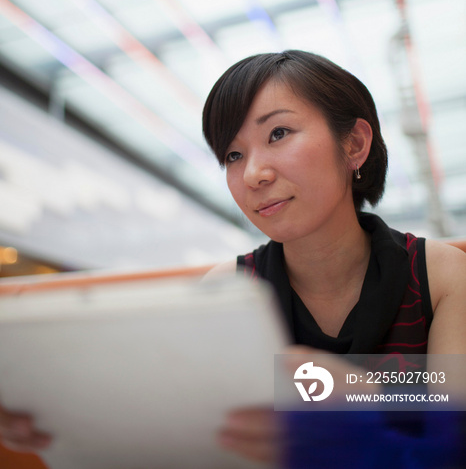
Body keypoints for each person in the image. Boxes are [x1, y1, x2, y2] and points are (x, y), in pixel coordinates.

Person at [1, 50, 466, 466]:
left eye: (279, 133)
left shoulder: (441, 275)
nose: (254, 173)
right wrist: (60, 421)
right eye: (232, 154)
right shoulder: (225, 290)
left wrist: (362, 406)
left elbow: (455, 440)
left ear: (355, 144)